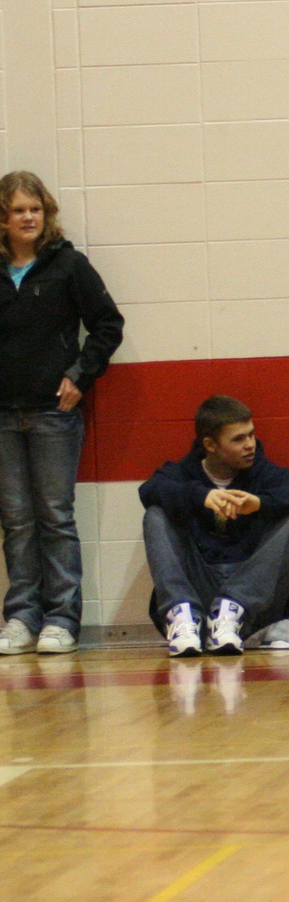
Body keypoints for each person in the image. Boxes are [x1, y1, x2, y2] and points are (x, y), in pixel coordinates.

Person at [0, 171, 124, 656]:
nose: (28, 217)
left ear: (46, 213)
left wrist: (80, 375)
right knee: (16, 520)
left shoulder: (69, 266)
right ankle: (20, 617)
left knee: (54, 517)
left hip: (55, 413)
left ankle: (61, 620)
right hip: (3, 416)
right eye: (18, 210)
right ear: (3, 219)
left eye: (35, 209)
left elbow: (108, 324)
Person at [139, 396, 289, 657]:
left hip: (251, 607)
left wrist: (260, 503)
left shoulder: (264, 473)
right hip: (199, 597)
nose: (250, 445)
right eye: (238, 439)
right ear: (210, 444)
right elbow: (149, 490)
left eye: (251, 434)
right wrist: (201, 496)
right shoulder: (183, 472)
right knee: (155, 515)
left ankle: (232, 608)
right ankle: (182, 616)